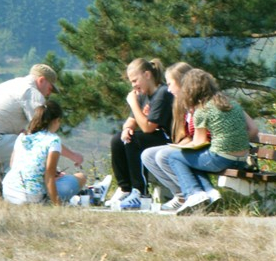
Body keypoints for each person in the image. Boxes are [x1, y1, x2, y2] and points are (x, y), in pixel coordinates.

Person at [0, 64, 84, 192]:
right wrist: (73, 156)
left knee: (14, 145)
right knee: (33, 150)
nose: (49, 93)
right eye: (50, 88)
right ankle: (29, 192)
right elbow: (44, 139)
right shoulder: (32, 93)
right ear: (41, 80)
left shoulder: (11, 84)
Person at [166, 68, 259, 215]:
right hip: (242, 160)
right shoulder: (232, 103)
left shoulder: (202, 110)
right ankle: (211, 193)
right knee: (193, 160)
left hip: (221, 159)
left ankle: (193, 194)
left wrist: (178, 147)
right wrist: (236, 140)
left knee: (175, 157)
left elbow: (198, 143)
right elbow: (254, 129)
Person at [140, 61, 218, 213]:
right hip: (197, 144)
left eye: (170, 84)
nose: (168, 89)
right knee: (147, 155)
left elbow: (203, 137)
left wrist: (183, 147)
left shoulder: (201, 104)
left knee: (164, 155)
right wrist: (180, 145)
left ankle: (193, 193)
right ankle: (182, 195)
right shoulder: (182, 104)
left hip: (207, 148)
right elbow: (188, 135)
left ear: (183, 82)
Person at [106, 58, 174, 210]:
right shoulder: (143, 94)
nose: (133, 85)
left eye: (135, 80)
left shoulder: (162, 93)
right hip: (156, 136)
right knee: (118, 139)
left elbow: (148, 128)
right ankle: (125, 189)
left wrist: (133, 103)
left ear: (147, 75)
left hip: (169, 138)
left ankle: (140, 191)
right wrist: (127, 129)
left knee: (134, 141)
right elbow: (131, 121)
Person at [2, 100, 87, 205]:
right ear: (56, 121)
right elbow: (49, 176)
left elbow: (13, 165)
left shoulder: (22, 137)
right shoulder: (53, 140)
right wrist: (57, 205)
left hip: (8, 191)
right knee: (80, 177)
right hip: (31, 197)